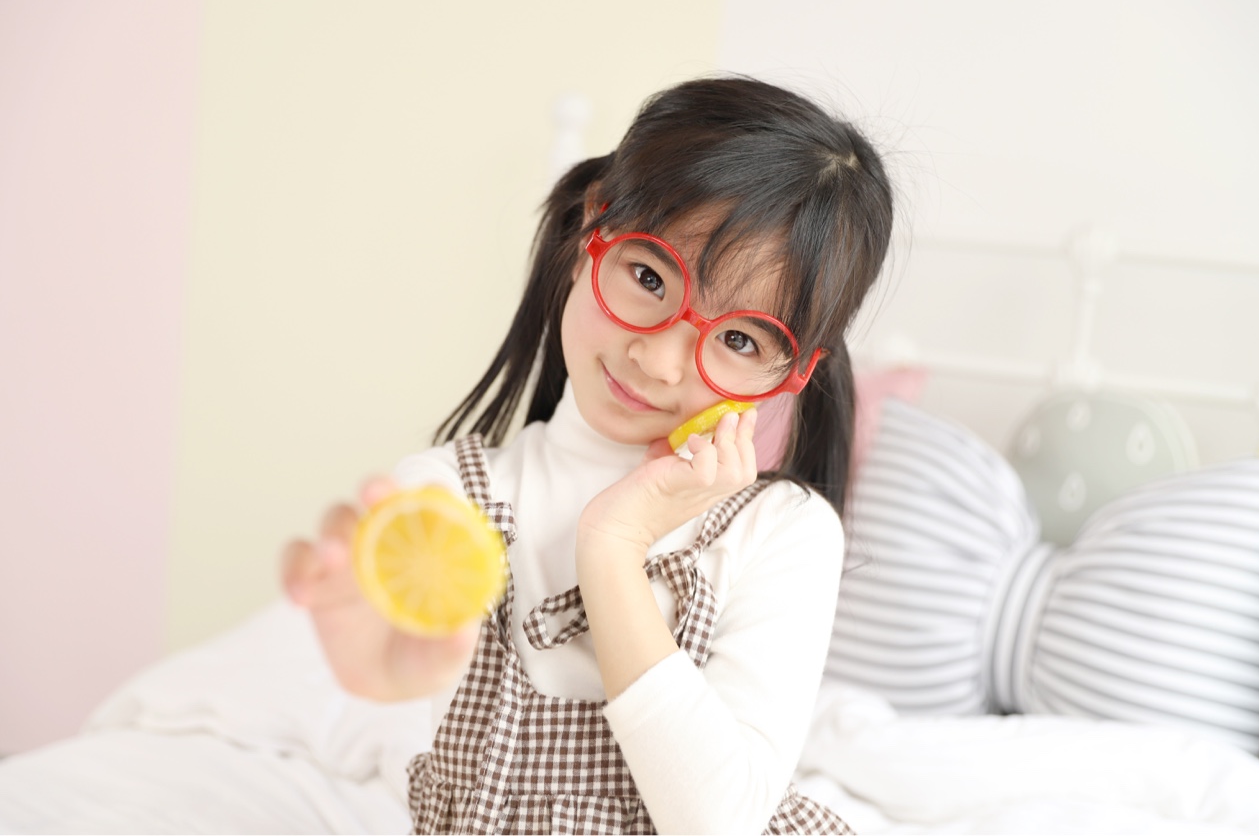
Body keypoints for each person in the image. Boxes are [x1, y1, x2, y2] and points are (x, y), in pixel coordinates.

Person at [282, 74, 894, 834]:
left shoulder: (780, 530)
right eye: (649, 277)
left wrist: (613, 546)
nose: (659, 361)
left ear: (792, 374)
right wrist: (375, 672)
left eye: (738, 339)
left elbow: (717, 822)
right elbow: (397, 683)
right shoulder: (448, 498)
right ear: (589, 231)